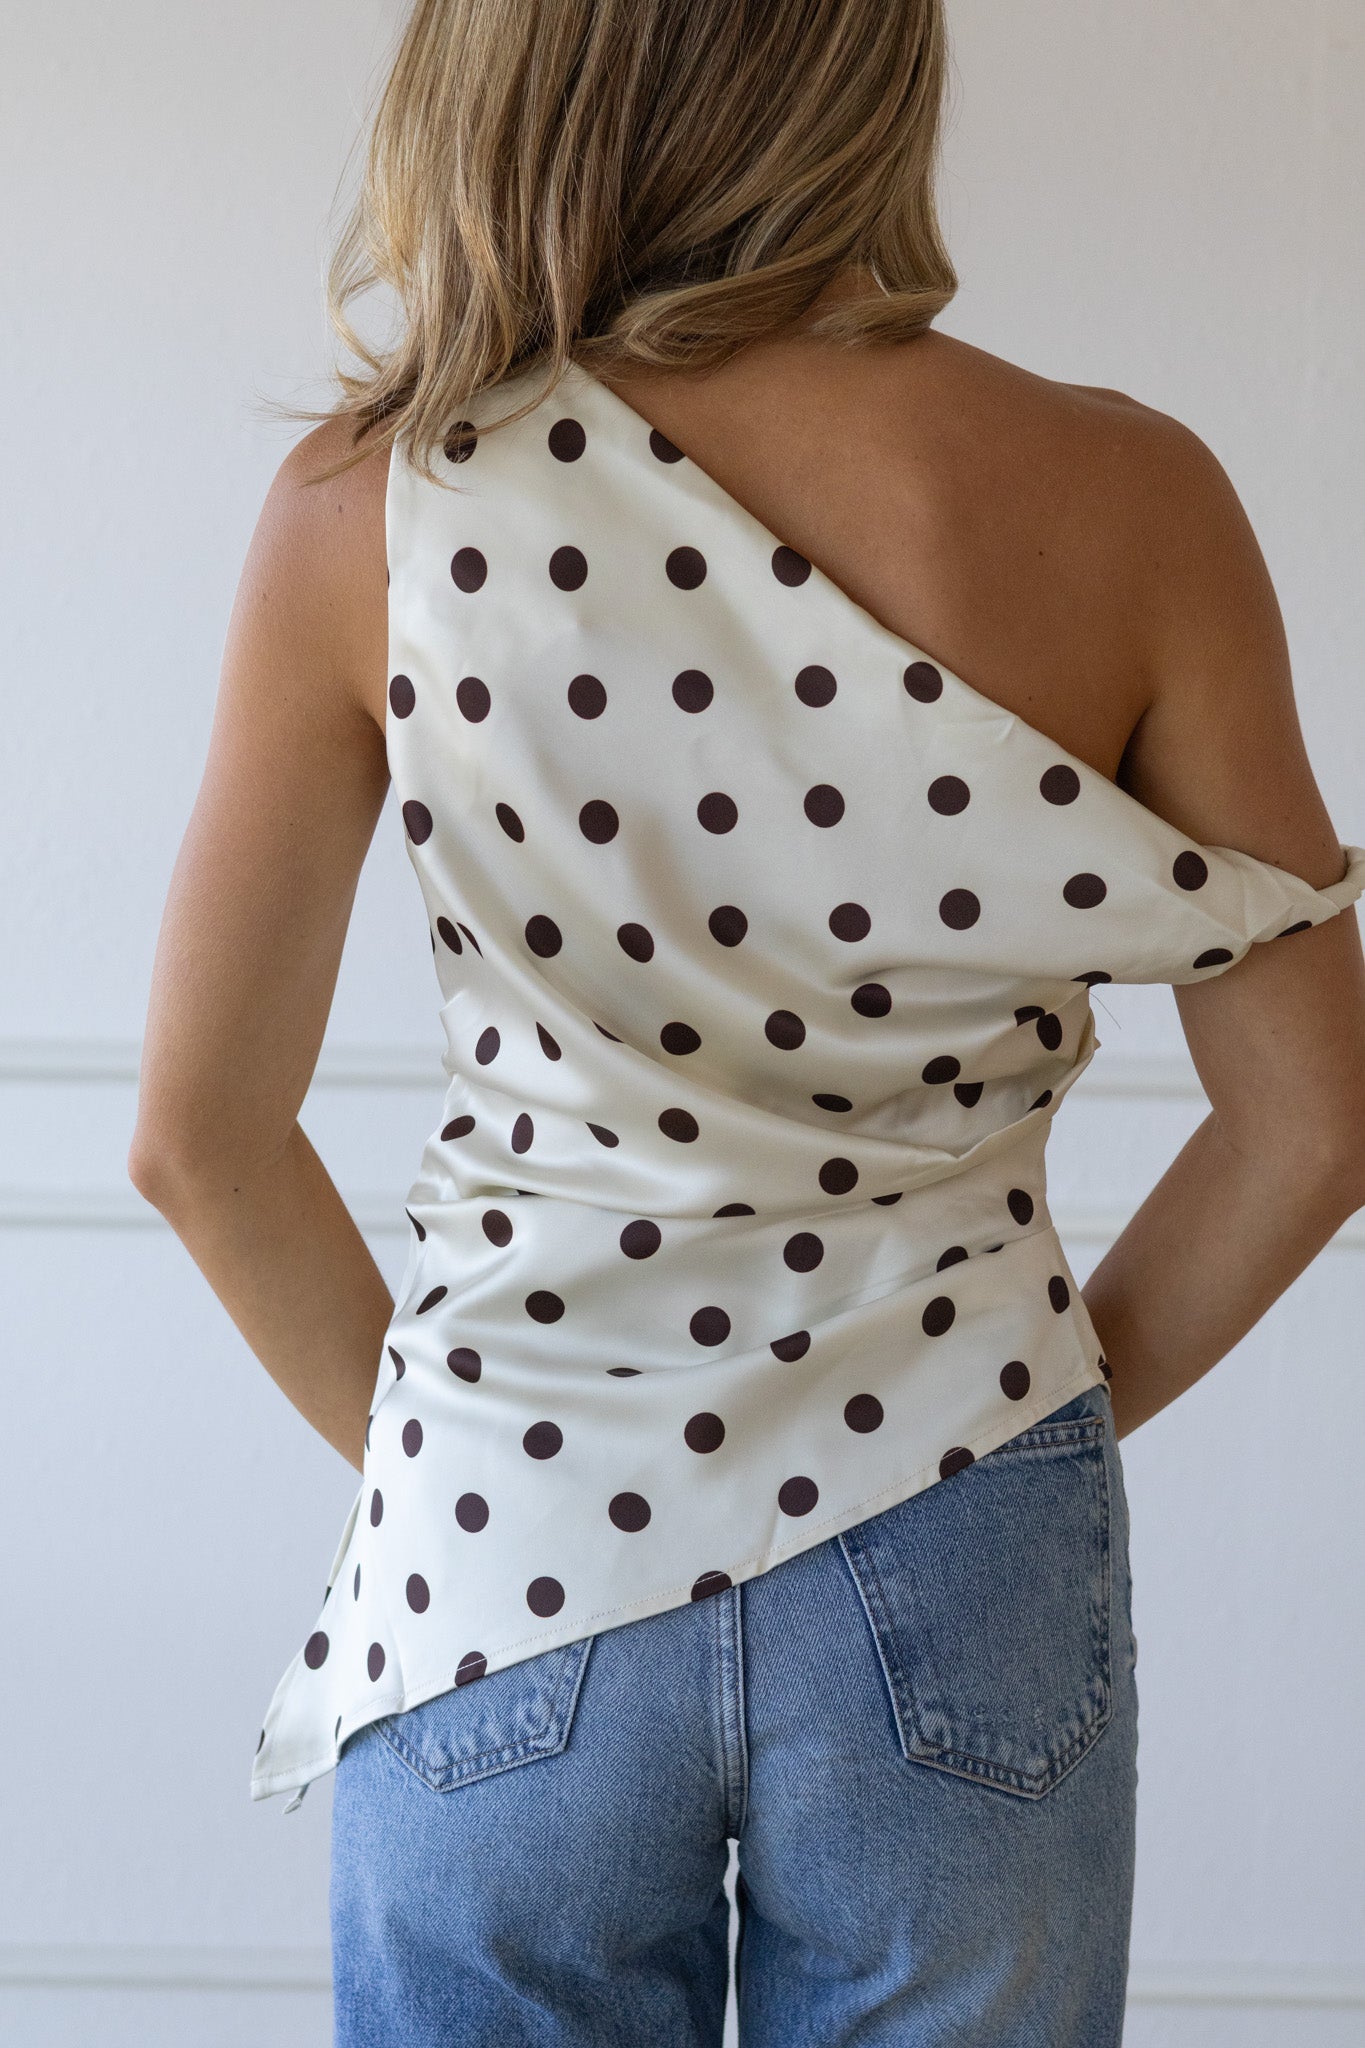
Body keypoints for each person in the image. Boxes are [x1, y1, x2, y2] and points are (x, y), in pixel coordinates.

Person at [128, 2, 1365, 2042]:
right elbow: (1313, 1119)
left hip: (507, 1527)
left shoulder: (376, 508)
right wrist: (1001, 1419)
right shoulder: (1130, 497)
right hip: (959, 1517)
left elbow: (195, 1135)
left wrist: (497, 1464)